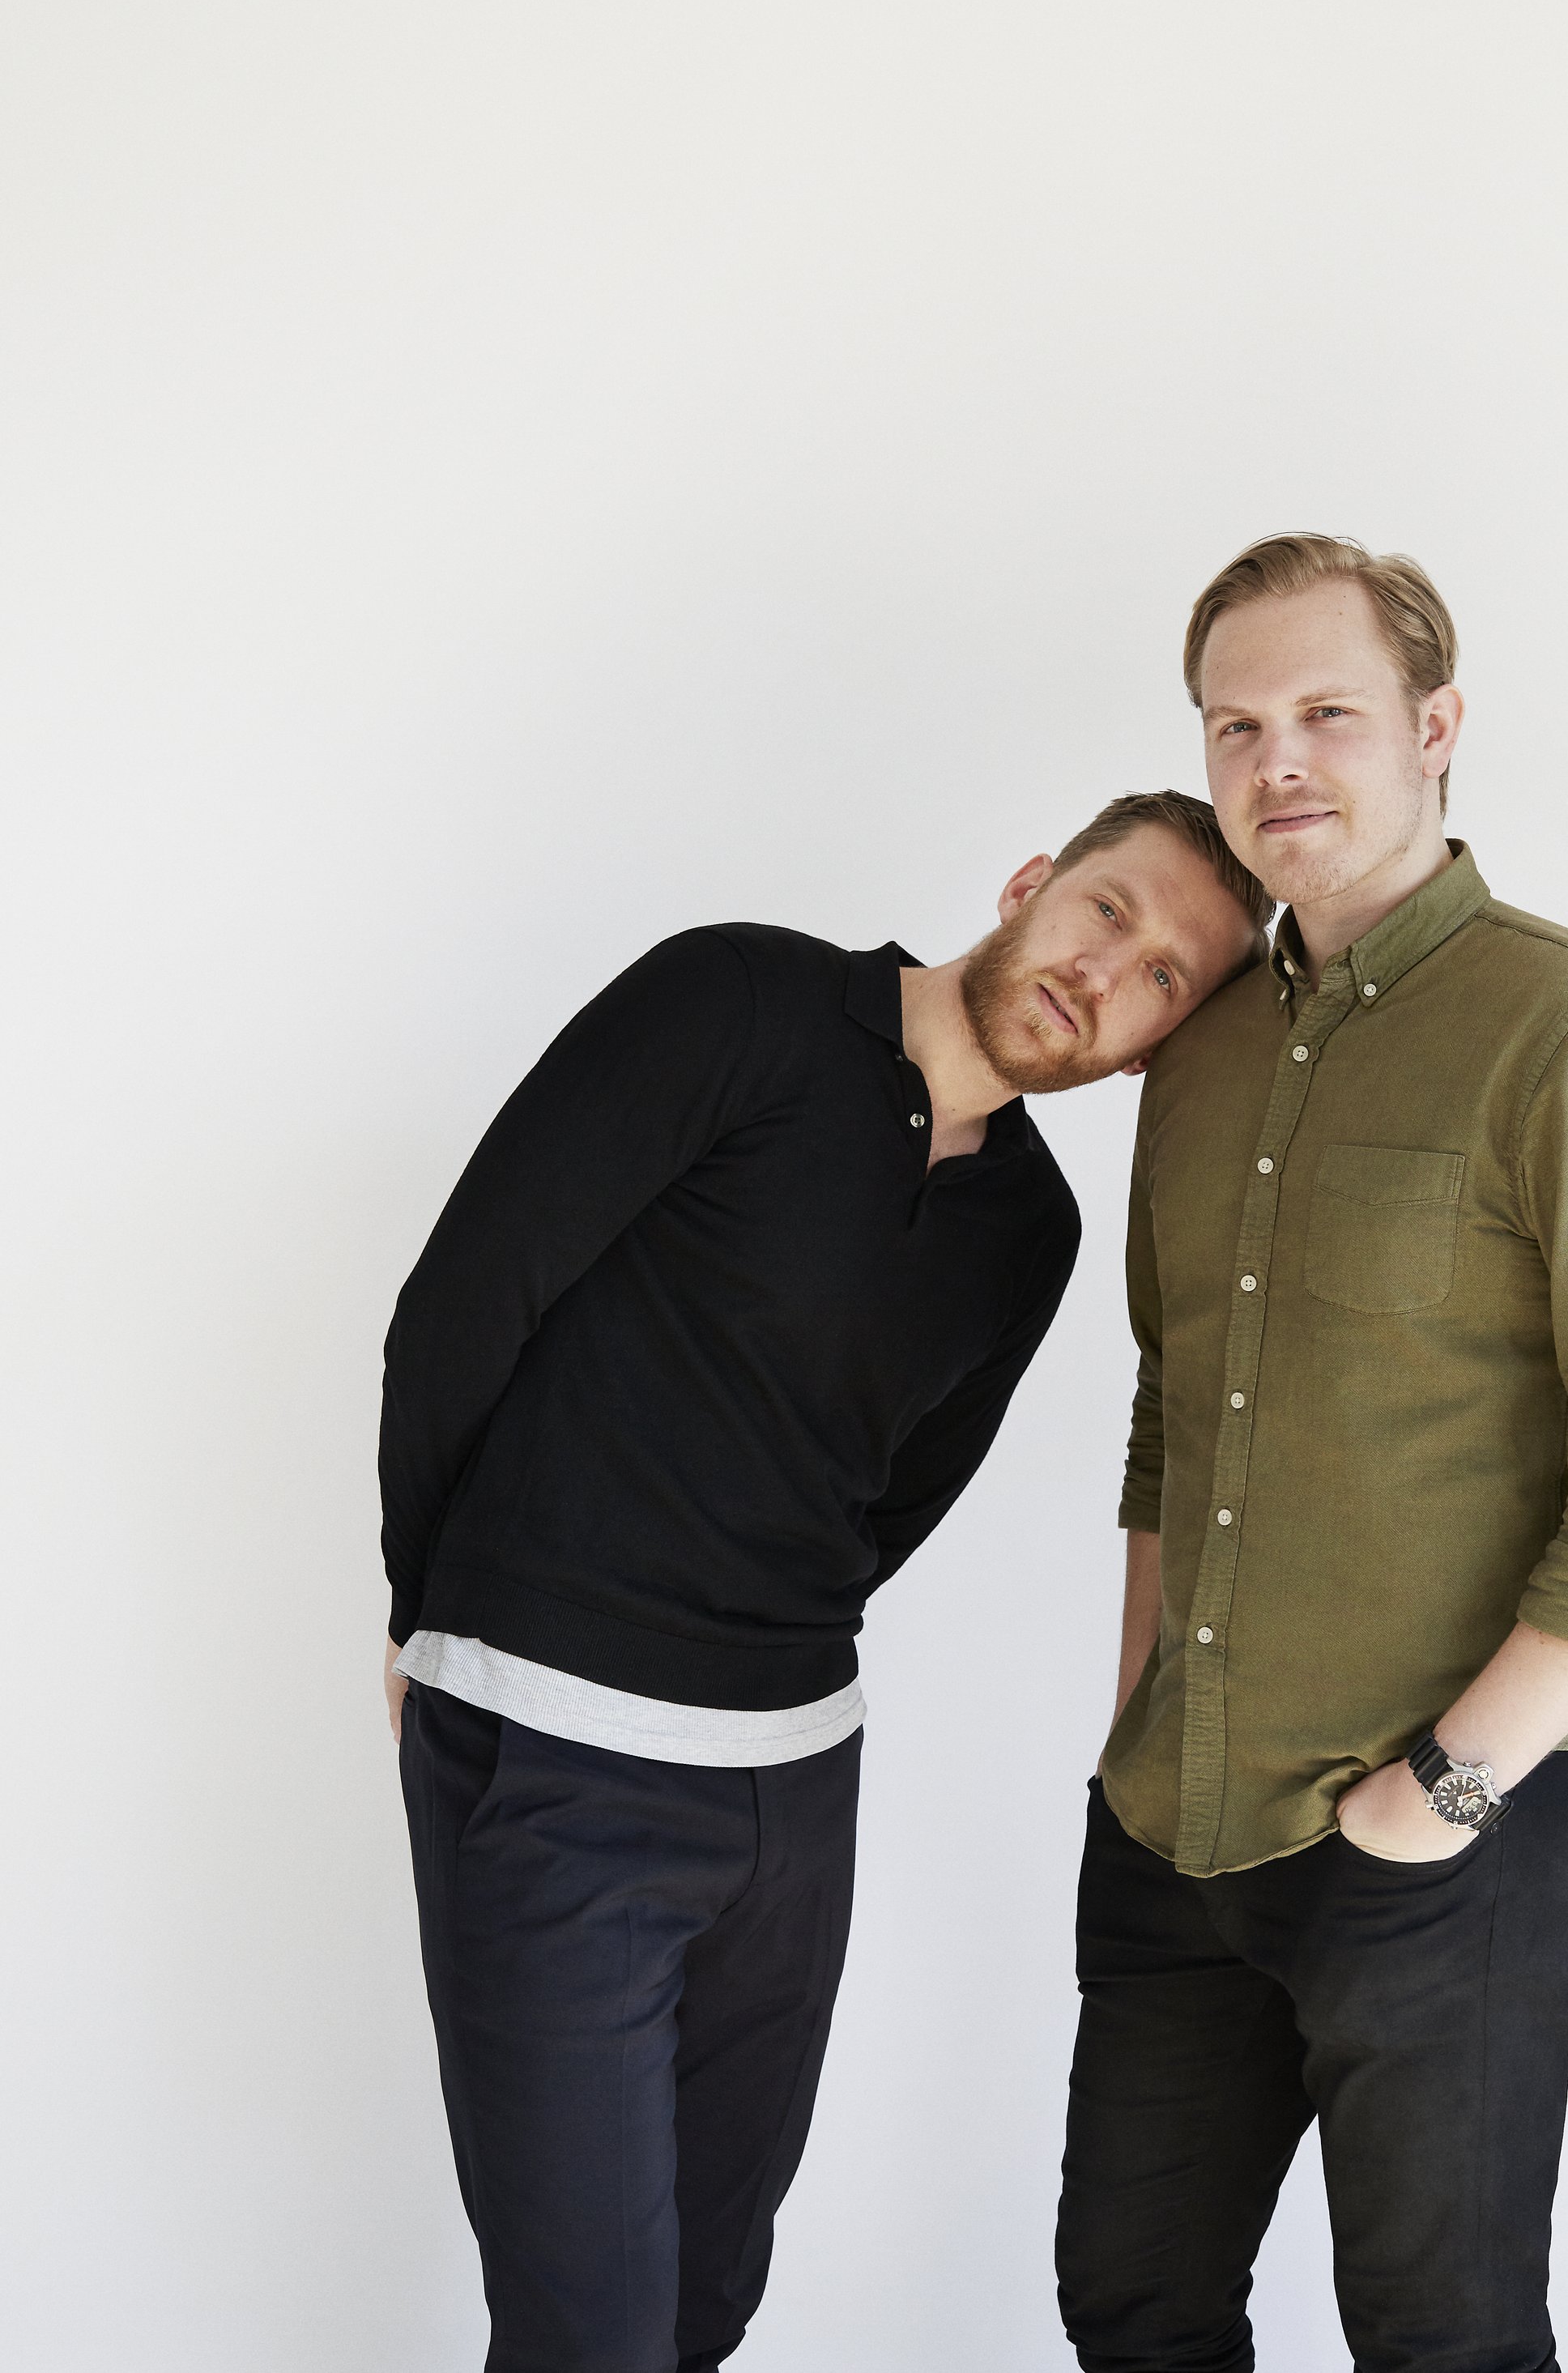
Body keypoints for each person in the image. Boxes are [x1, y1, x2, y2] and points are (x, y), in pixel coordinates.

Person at [379, 791, 1268, 2373]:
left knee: (703, 2307)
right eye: (1108, 910)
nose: (1106, 971)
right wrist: (427, 1613)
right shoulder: (739, 998)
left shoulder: (1031, 1234)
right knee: (590, 2335)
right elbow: (465, 1300)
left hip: (789, 1795)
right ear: (1032, 879)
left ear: (1148, 1053)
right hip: (547, 1747)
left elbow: (891, 1500)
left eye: (1162, 982)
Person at [1056, 538, 1568, 2373]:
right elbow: (1167, 1409)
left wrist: (1436, 1794)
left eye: (1323, 713)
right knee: (1130, 2306)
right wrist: (1132, 1717)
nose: (1274, 758)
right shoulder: (1195, 1059)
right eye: (1234, 723)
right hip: (1175, 1817)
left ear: (1434, 729)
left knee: (1436, 2339)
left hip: (1454, 1822)